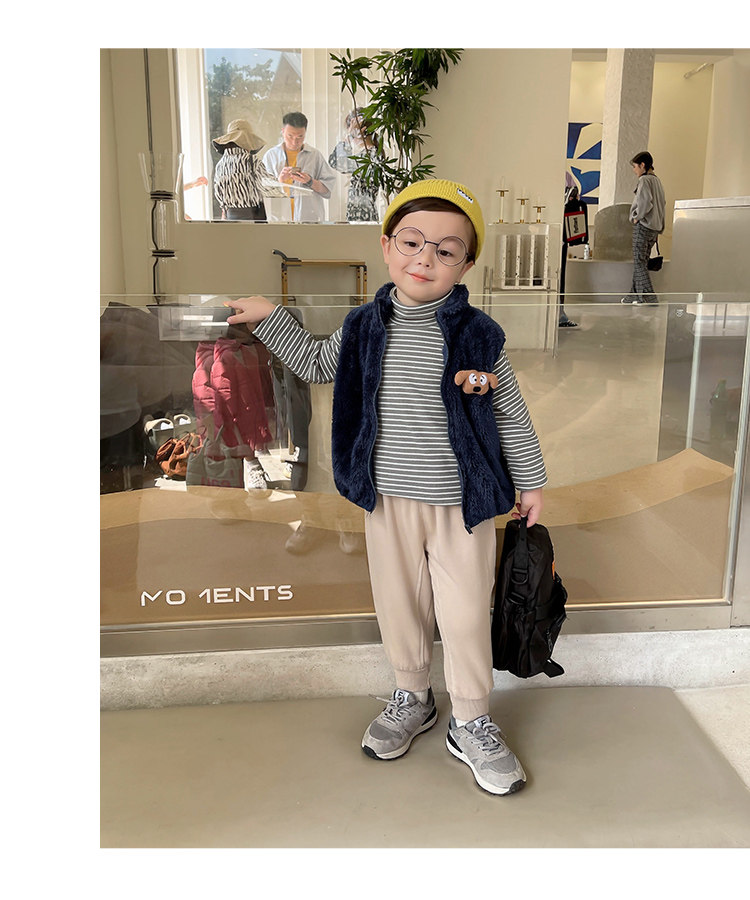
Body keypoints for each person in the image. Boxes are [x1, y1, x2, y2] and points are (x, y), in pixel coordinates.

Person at [225, 179, 547, 796]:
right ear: (386, 245)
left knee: (463, 612)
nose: (425, 259)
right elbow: (316, 362)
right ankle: (412, 696)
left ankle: (471, 718)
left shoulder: (480, 334)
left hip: (462, 504)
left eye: (446, 250)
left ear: (466, 265)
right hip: (387, 497)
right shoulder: (363, 326)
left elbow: (509, 410)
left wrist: (530, 482)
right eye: (411, 242)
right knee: (398, 603)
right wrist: (271, 319)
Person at [262, 111, 337, 223]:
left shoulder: (315, 155)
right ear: (283, 131)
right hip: (279, 219)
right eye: (290, 136)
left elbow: (327, 191)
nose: (294, 141)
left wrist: (310, 181)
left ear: (305, 133)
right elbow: (263, 191)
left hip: (309, 219)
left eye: (300, 137)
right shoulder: (271, 156)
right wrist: (280, 181)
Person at [621, 151, 666, 305]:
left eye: (635, 166)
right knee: (642, 261)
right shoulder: (657, 181)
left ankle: (649, 297)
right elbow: (662, 204)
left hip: (644, 226)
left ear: (642, 165)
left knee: (639, 263)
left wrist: (636, 217)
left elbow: (645, 203)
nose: (634, 170)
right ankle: (633, 295)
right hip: (654, 228)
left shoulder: (644, 180)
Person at [212, 119, 271, 222]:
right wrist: (282, 182)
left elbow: (218, 194)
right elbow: (267, 188)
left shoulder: (220, 165)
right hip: (253, 218)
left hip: (230, 218)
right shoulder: (252, 161)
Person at [329, 109, 380, 222]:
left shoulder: (371, 155)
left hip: (364, 217)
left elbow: (336, 162)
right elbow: (334, 162)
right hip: (358, 216)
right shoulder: (366, 154)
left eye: (353, 129)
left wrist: (349, 137)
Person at [559, 184, 588, 327]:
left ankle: (560, 314)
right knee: (559, 278)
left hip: (561, 239)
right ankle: (559, 315)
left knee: (560, 278)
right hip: (560, 238)